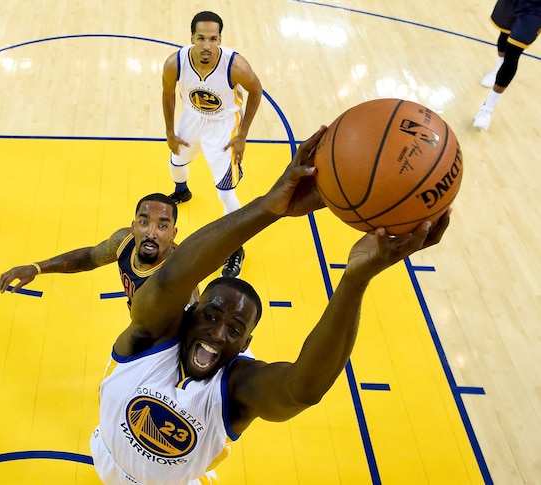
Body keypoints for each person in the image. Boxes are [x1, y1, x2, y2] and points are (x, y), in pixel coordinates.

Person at [89, 127, 451, 485]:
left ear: (245, 345)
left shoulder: (237, 387)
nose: (217, 333)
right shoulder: (149, 337)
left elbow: (302, 389)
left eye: (234, 330)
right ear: (190, 312)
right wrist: (269, 208)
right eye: (211, 316)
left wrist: (355, 279)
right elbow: (171, 279)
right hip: (106, 458)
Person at [162, 11, 264, 278]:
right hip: (192, 118)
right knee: (175, 164)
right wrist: (170, 132)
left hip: (223, 126)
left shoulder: (235, 66)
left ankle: (236, 248)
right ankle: (182, 192)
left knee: (225, 193)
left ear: (220, 39)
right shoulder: (176, 63)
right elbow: (168, 95)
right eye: (201, 38)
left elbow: (256, 91)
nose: (207, 45)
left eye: (213, 38)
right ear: (191, 38)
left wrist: (242, 135)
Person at [0, 193, 198, 309]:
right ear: (133, 226)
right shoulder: (124, 240)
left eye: (162, 226)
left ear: (173, 233)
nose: (151, 232)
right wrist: (36, 268)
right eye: (144, 222)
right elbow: (89, 257)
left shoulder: (179, 277)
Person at [474, 0, 541, 130]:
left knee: (513, 53)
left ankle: (486, 109)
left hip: (535, 9)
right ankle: (498, 68)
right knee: (504, 35)